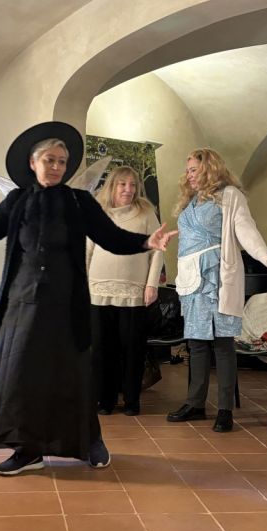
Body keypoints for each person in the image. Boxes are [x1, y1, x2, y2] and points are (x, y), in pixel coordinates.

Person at [0, 121, 176, 475]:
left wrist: (146, 242)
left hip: (67, 306)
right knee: (23, 377)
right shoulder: (17, 200)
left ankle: (89, 443)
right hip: (23, 305)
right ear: (33, 163)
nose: (56, 167)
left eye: (62, 161)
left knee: (71, 375)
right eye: (49, 160)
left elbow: (110, 237)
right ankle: (28, 450)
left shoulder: (79, 201)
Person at [166, 148, 267, 432]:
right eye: (187, 170)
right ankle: (195, 403)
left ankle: (225, 409)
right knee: (196, 343)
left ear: (209, 168)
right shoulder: (191, 200)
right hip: (192, 280)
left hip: (217, 277)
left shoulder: (230, 196)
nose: (189, 175)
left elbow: (246, 231)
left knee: (222, 343)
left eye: (194, 170)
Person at [86, 166, 164, 416]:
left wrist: (152, 284)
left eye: (132, 184)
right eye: (122, 184)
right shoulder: (98, 212)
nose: (128, 189)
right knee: (101, 348)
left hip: (134, 292)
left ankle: (131, 400)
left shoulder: (146, 212)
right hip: (98, 289)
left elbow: (158, 250)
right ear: (113, 185)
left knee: (132, 348)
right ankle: (104, 400)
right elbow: (87, 250)